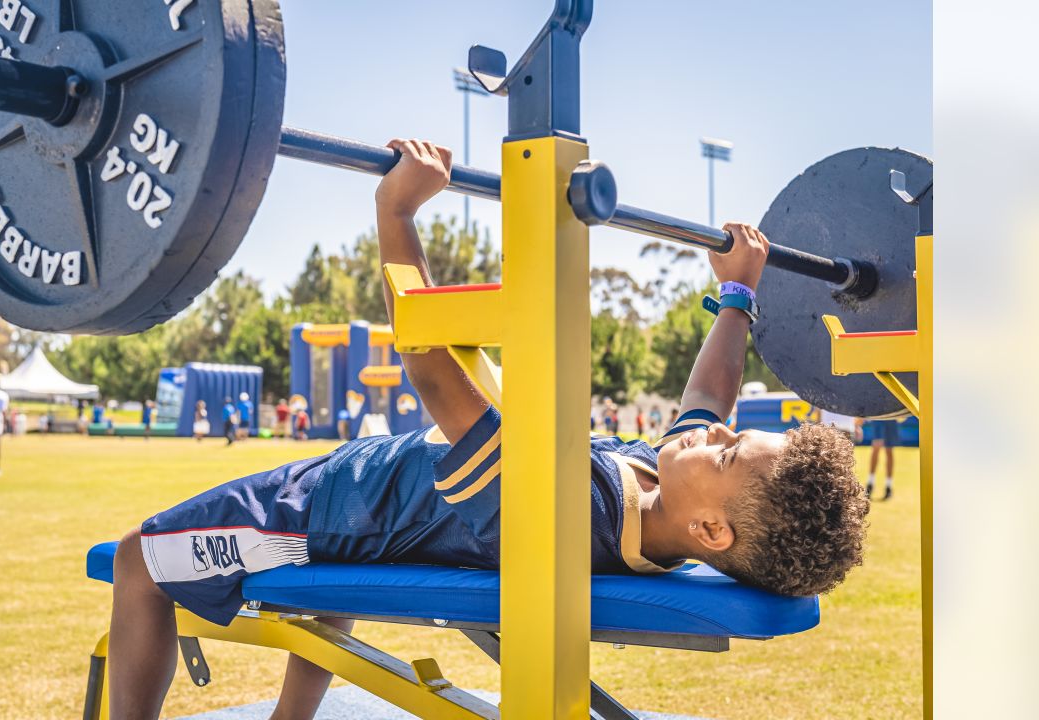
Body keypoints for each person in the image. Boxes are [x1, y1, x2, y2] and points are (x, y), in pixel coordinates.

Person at [105, 139, 869, 720]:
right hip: (368, 500)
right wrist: (738, 291)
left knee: (141, 562)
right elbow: (712, 389)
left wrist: (396, 212)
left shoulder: (572, 510)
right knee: (325, 587)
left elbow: (436, 374)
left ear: (710, 529)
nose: (710, 435)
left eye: (726, 451)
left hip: (328, 511)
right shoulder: (658, 489)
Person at [864, 418, 899, 500]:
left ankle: (888, 486)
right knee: (876, 446)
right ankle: (870, 483)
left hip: (891, 416)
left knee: (889, 450)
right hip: (878, 415)